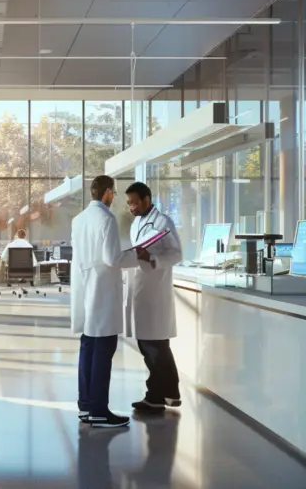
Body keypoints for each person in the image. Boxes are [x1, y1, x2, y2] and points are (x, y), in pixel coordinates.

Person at [71, 175, 130, 428]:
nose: (114, 197)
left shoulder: (79, 219)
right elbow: (111, 258)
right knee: (103, 350)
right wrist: (136, 255)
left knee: (88, 347)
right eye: (113, 193)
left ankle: (85, 406)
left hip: (86, 289)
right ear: (106, 192)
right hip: (103, 290)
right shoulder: (107, 219)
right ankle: (99, 411)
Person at [121, 182, 183, 413]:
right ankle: (171, 392)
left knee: (154, 346)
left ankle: (155, 397)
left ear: (147, 199)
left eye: (135, 202)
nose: (131, 207)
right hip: (142, 288)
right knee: (154, 345)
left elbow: (176, 254)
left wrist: (152, 259)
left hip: (155, 290)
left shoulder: (163, 222)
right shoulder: (137, 222)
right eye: (129, 203)